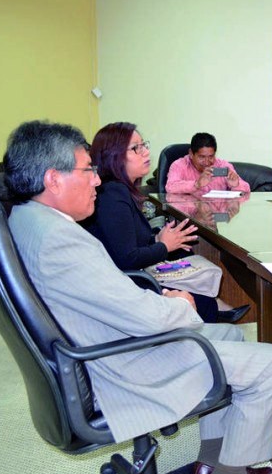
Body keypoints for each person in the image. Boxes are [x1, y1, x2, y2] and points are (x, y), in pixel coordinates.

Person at [4, 120, 272, 474]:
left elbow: (110, 296)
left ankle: (210, 465)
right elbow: (147, 318)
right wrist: (180, 304)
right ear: (53, 179)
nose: (97, 181)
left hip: (101, 343)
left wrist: (169, 302)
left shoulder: (27, 220)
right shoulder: (60, 241)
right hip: (123, 363)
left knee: (234, 336)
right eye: (88, 170)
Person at [87, 122, 249, 324]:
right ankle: (215, 309)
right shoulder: (113, 194)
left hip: (137, 269)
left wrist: (158, 238)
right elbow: (126, 258)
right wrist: (163, 245)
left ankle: (216, 305)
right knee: (200, 297)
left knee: (184, 247)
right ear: (114, 156)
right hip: (132, 285)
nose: (146, 152)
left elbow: (127, 239)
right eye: (136, 148)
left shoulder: (121, 190)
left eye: (144, 145)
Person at [165, 132, 250, 195]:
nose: (207, 162)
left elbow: (246, 189)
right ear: (191, 153)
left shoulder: (223, 166)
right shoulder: (179, 165)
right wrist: (196, 184)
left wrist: (236, 185)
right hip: (190, 216)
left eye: (211, 156)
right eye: (202, 157)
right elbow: (170, 187)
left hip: (216, 215)